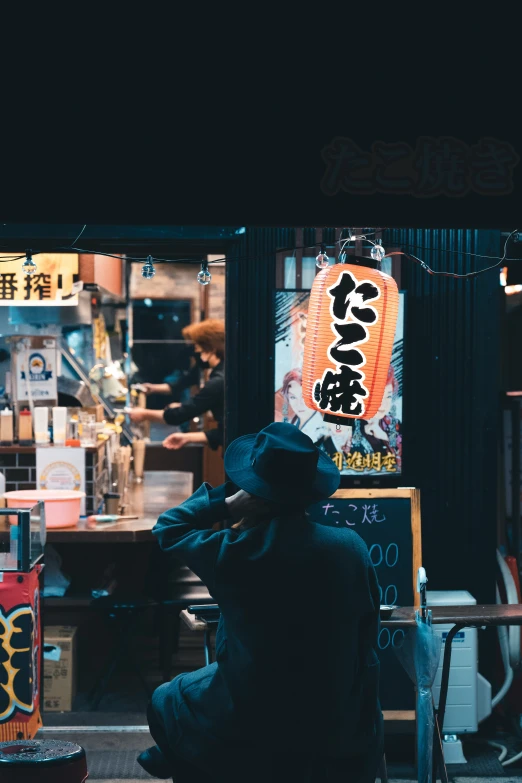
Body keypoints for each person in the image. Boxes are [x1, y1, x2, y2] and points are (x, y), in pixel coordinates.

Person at [137, 422, 383, 783]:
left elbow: (169, 528)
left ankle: (177, 758)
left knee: (167, 698)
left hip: (251, 711)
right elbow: (368, 635)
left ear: (253, 494)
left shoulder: (235, 554)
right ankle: (174, 756)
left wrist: (224, 502)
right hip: (336, 714)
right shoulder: (351, 548)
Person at [128, 319, 224, 452]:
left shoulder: (218, 381)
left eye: (197, 348)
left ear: (211, 349)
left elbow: (181, 414)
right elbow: (223, 433)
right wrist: (187, 437)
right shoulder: (224, 374)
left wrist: (144, 414)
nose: (195, 352)